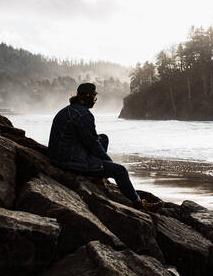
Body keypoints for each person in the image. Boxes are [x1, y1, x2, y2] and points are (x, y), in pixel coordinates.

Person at [48, 83, 163, 212]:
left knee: (103, 138)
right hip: (70, 160)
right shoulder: (84, 114)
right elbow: (92, 144)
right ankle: (139, 203)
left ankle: (97, 177)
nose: (94, 101)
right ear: (86, 97)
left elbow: (89, 140)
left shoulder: (67, 110)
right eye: (93, 97)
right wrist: (108, 163)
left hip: (58, 155)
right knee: (120, 171)